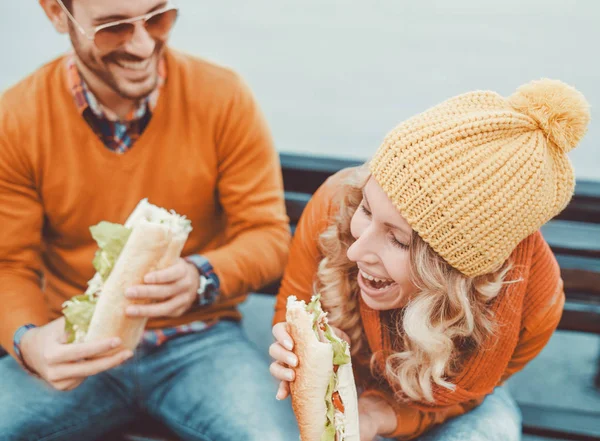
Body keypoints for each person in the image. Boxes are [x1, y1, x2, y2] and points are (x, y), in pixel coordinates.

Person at [0, 1, 298, 440]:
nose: (142, 46)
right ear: (57, 15)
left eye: (158, 17)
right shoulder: (18, 117)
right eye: (113, 27)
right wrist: (28, 342)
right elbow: (9, 265)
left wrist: (202, 276)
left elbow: (270, 236)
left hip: (200, 340)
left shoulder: (223, 96)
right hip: (75, 338)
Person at [269, 78, 590, 440]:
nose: (356, 251)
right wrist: (296, 350)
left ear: (455, 273)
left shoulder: (535, 306)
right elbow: (291, 303)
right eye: (367, 209)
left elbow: (465, 399)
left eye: (398, 240)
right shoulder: (335, 203)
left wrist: (379, 415)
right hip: (349, 385)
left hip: (455, 398)